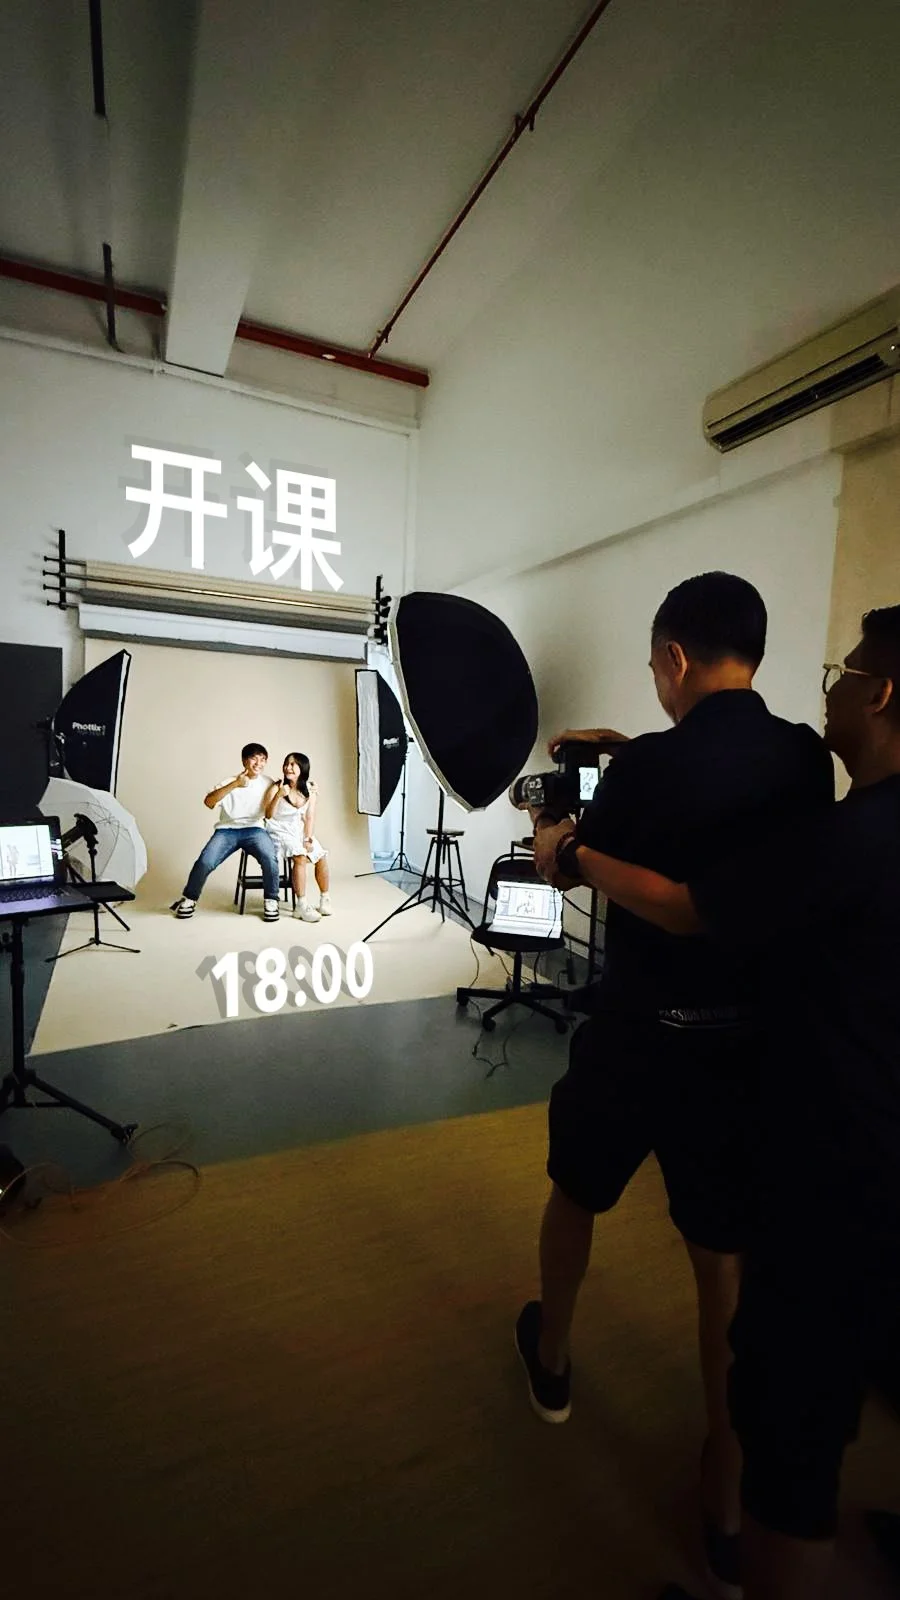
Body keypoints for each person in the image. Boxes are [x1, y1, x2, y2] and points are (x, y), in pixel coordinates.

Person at [535, 605, 900, 1600]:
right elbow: (736, 813)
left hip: (644, 1041)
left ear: (674, 656)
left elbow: (668, 895)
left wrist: (562, 845)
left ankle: (552, 1358)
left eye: (849, 671)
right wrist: (637, 752)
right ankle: (726, 1512)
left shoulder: (667, 773)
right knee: (719, 1263)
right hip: (744, 1058)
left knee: (576, 1189)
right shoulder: (807, 763)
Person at [172, 742, 281, 923]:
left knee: (269, 858)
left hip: (255, 829)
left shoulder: (269, 782)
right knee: (205, 861)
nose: (258, 763)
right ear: (244, 761)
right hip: (227, 830)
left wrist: (310, 788)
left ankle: (271, 900)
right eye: (254, 758)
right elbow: (209, 802)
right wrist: (236, 784)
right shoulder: (229, 781)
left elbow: (291, 786)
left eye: (263, 759)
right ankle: (189, 898)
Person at [264, 752, 332, 922]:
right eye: (286, 764)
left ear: (303, 768)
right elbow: (268, 815)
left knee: (320, 856)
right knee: (300, 857)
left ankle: (325, 899)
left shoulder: (310, 790)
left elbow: (310, 817)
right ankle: (301, 905)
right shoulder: (277, 787)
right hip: (278, 829)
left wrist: (308, 838)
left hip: (298, 829)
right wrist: (279, 795)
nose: (288, 767)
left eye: (292, 764)